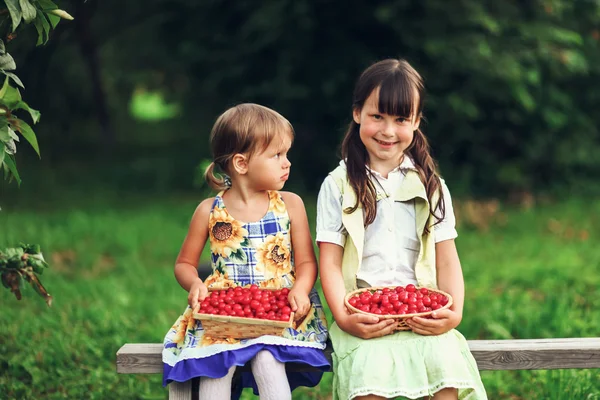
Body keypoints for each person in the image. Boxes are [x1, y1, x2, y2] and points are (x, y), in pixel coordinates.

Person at [317, 59, 487, 400]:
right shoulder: (337, 185)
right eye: (377, 116)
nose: (388, 131)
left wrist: (453, 314)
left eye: (400, 119)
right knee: (368, 383)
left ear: (416, 122)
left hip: (423, 313)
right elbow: (330, 263)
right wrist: (345, 319)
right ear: (357, 114)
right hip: (363, 316)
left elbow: (447, 259)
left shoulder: (432, 185)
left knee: (444, 379)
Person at [163, 103, 329, 400]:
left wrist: (302, 290)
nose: (287, 162)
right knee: (217, 367)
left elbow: (306, 263)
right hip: (224, 316)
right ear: (241, 163)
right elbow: (184, 264)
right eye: (277, 155)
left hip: (280, 313)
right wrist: (195, 284)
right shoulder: (209, 211)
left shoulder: (290, 205)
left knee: (268, 361)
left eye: (286, 154)